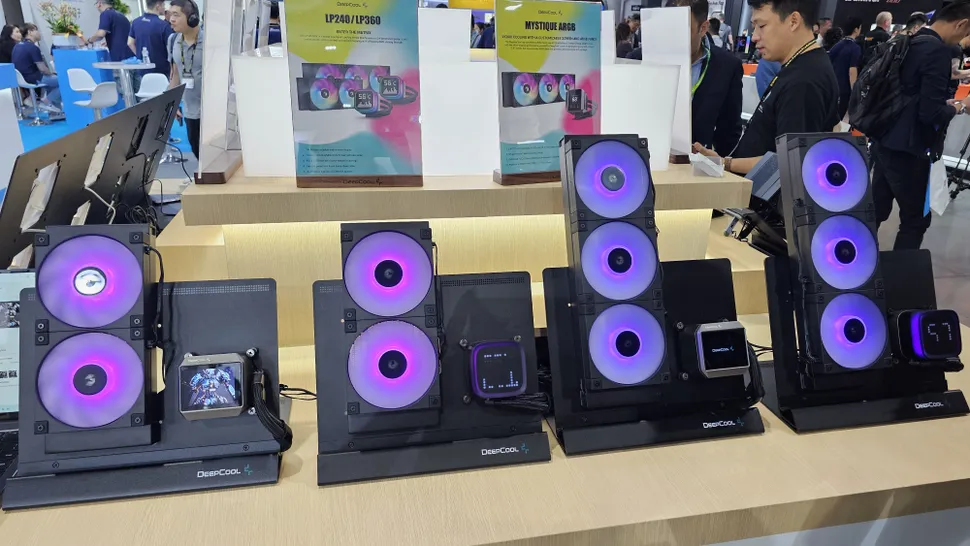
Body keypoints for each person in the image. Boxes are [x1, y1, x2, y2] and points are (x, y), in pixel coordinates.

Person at [692, 0, 839, 178]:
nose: (754, 36)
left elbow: (789, 161)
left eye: (761, 26)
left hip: (765, 193)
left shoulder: (804, 81)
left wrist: (725, 163)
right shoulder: (803, 67)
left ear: (793, 21)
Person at [871, 1, 970, 250]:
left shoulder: (909, 41)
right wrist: (960, 106)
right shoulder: (938, 52)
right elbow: (930, 114)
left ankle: (852, 261)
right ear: (962, 24)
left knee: (876, 210)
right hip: (910, 149)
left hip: (884, 138)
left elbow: (913, 96)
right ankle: (900, 274)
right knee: (915, 220)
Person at [678, 0, 742, 155]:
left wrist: (720, 164)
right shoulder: (641, 59)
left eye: (681, 29)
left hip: (698, 162)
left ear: (703, 28)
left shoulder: (726, 66)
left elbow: (729, 129)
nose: (674, 37)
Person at [168, 0, 203, 159]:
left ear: (192, 18)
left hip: (212, 110)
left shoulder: (209, 41)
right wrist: (173, 102)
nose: (171, 19)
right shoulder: (173, 40)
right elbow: (175, 74)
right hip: (190, 109)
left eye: (176, 15)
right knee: (196, 149)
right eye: (170, 14)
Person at [11, 24, 62, 112]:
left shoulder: (17, 46)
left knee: (53, 83)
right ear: (30, 32)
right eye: (36, 30)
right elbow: (43, 69)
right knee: (64, 81)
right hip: (34, 78)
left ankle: (54, 109)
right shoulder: (32, 47)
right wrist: (52, 73)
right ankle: (46, 101)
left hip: (22, 78)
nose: (39, 33)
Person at [828, 17, 863, 120]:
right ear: (856, 29)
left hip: (831, 85)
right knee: (837, 118)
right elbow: (852, 71)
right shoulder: (855, 48)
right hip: (844, 90)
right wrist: (854, 92)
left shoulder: (837, 45)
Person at [128, 0, 174, 76]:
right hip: (161, 71)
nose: (164, 8)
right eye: (163, 5)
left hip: (142, 69)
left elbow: (130, 43)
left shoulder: (136, 22)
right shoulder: (163, 25)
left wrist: (140, 57)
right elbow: (172, 50)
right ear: (158, 6)